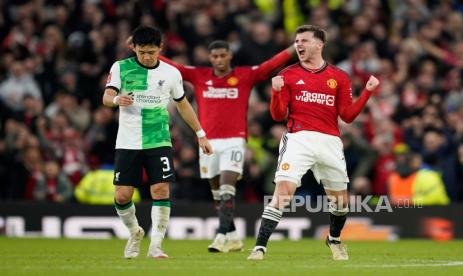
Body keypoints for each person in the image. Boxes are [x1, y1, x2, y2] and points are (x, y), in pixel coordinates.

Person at [247, 25, 380, 261]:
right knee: (283, 193)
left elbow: (347, 116)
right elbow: (278, 116)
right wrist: (276, 92)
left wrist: (367, 92)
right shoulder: (288, 74)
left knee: (341, 202)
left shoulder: (339, 76)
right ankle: (259, 247)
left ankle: (334, 239)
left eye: (305, 40)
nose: (299, 44)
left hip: (329, 141)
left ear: (319, 44)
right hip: (299, 139)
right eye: (297, 41)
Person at [159, 40, 294, 252]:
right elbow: (177, 68)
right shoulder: (200, 76)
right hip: (208, 141)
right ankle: (233, 237)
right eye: (215, 56)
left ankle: (220, 236)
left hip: (235, 140)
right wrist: (147, 52)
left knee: (227, 186)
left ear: (230, 55)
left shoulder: (244, 75)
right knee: (217, 194)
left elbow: (269, 65)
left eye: (223, 55)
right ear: (210, 58)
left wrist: (294, 47)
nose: (219, 60)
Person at [102, 25, 212, 259]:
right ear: (134, 48)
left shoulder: (171, 73)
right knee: (122, 196)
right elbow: (106, 97)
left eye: (151, 51)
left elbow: (183, 105)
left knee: (160, 189)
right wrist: (116, 100)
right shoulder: (121, 68)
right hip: (128, 141)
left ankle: (156, 246)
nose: (147, 56)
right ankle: (134, 232)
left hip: (158, 139)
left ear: (160, 47)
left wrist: (200, 133)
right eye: (142, 52)